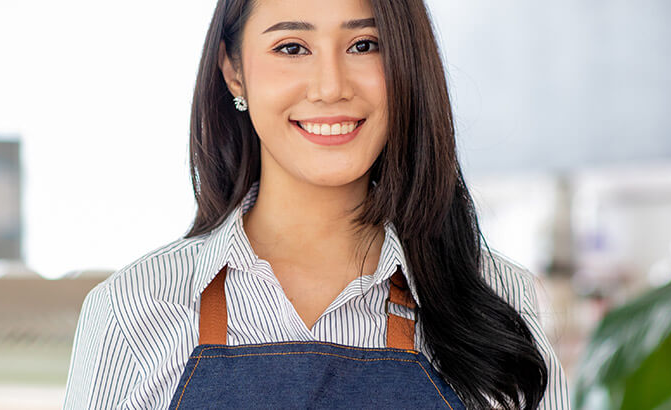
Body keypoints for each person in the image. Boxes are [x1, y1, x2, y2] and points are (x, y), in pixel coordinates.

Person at [66, 0, 568, 407]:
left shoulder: (499, 303)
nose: (331, 87)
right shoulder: (132, 312)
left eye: (364, 44)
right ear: (233, 70)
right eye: (291, 47)